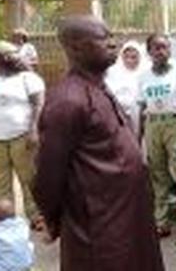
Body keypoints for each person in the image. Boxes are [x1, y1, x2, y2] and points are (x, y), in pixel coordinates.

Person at [33, 15, 164, 270]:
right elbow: (47, 177)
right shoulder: (68, 100)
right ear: (75, 47)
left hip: (129, 219)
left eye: (112, 36)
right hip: (100, 232)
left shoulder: (99, 88)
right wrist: (55, 220)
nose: (112, 43)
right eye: (103, 38)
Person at [0, 41, 45, 230]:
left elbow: (39, 105)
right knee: (0, 181)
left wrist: (34, 129)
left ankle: (36, 216)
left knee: (29, 178)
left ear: (4, 59)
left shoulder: (28, 78)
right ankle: (6, 220)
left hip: (22, 137)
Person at [138, 33, 176, 246]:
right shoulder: (143, 77)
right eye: (156, 48)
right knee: (158, 173)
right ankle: (161, 222)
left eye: (164, 48)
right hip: (153, 124)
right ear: (149, 52)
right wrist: (139, 137)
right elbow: (142, 107)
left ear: (170, 51)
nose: (161, 52)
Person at [105, 40, 147, 138]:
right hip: (118, 114)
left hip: (142, 116)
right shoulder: (113, 72)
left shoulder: (146, 71)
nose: (129, 60)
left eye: (134, 57)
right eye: (126, 57)